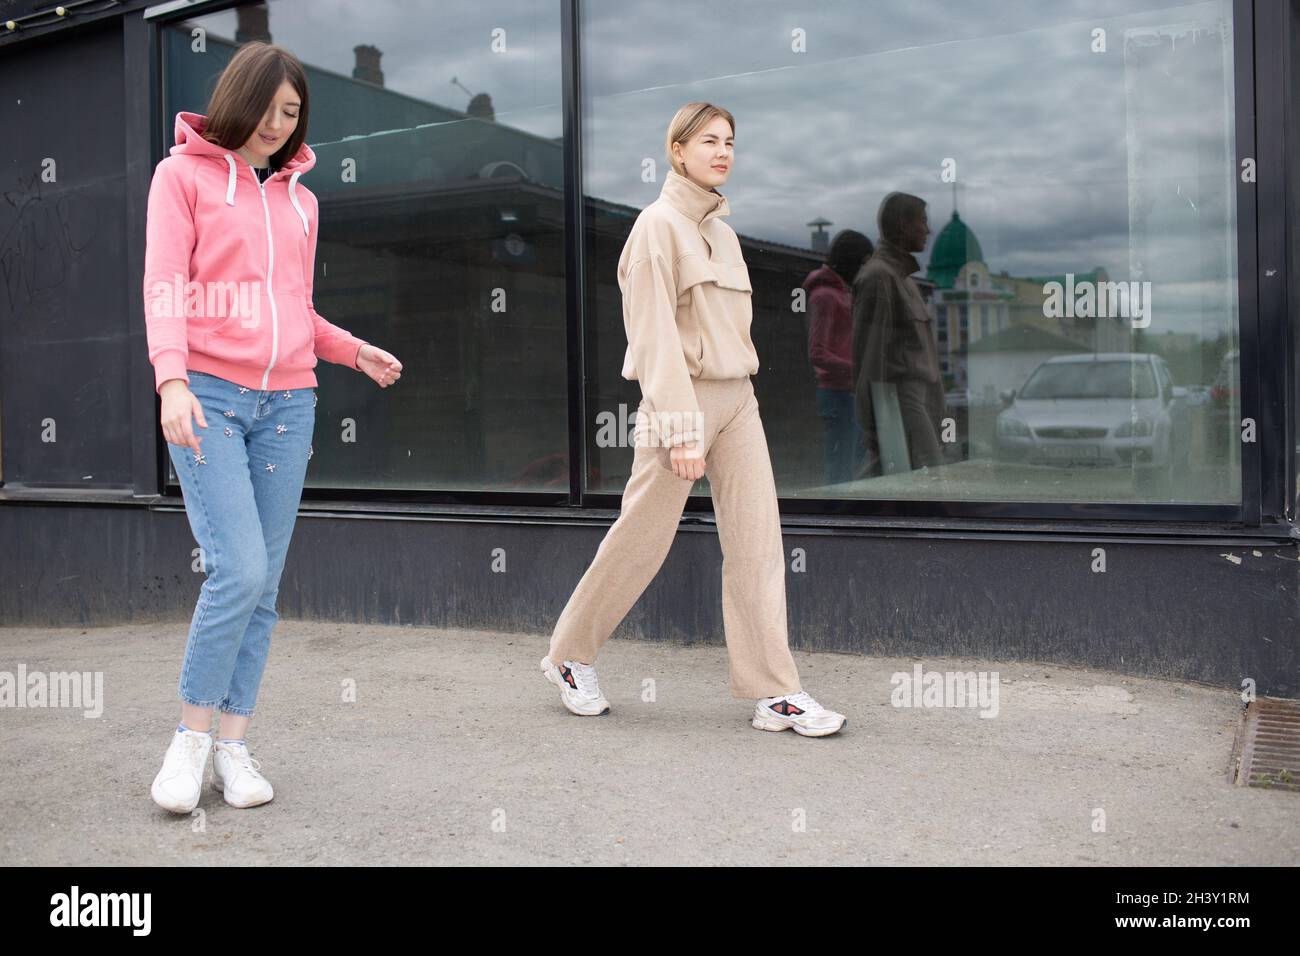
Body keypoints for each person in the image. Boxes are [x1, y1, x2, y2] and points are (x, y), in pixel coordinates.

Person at [143, 42, 403, 813]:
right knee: (239, 570)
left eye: (291, 114)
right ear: (238, 100)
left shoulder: (302, 201)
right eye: (267, 108)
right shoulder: (180, 177)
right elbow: (164, 286)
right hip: (209, 400)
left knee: (265, 588)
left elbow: (296, 310)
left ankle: (234, 747)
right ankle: (189, 740)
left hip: (289, 407)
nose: (276, 124)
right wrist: (172, 381)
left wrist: (352, 351)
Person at [540, 102, 846, 737]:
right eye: (708, 140)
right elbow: (652, 337)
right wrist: (681, 429)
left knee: (759, 543)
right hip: (679, 401)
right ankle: (568, 656)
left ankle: (776, 693)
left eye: (730, 141)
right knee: (641, 541)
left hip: (739, 400)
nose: (723, 151)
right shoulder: (657, 227)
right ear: (676, 150)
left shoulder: (724, 235)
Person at [851, 192, 947, 472]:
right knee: (930, 482)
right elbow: (870, 357)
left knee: (901, 484)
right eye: (923, 221)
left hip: (918, 404)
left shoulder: (904, 280)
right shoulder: (878, 278)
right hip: (900, 404)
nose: (928, 230)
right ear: (904, 225)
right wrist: (873, 420)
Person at [804, 229, 873, 484]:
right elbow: (817, 352)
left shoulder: (842, 292)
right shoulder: (825, 296)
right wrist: (857, 369)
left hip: (847, 392)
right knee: (840, 465)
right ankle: (836, 515)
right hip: (837, 394)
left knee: (850, 461)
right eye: (864, 262)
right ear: (853, 260)